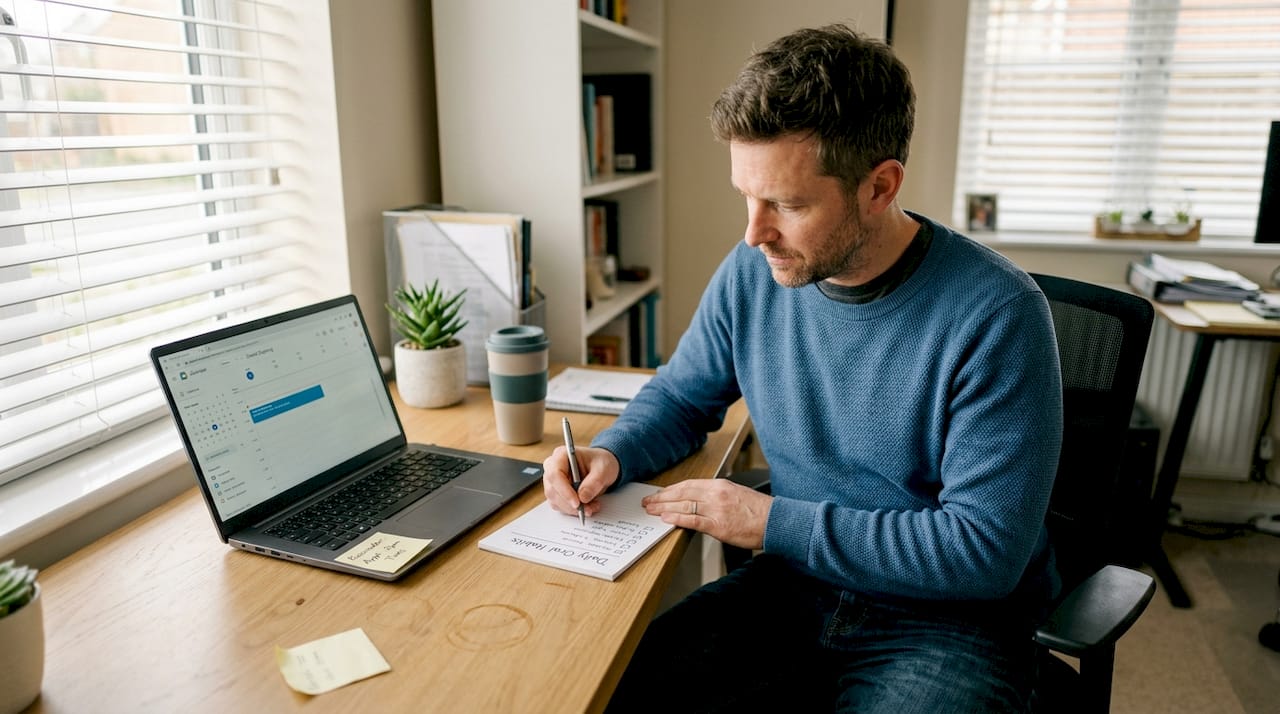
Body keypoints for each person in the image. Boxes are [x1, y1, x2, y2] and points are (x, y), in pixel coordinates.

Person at [542, 24, 1063, 713]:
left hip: (948, 622)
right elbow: (681, 397)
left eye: (786, 205)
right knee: (605, 693)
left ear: (880, 187)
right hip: (793, 589)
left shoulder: (998, 315)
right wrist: (612, 452)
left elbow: (982, 552)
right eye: (746, 197)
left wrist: (772, 523)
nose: (753, 233)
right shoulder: (752, 272)